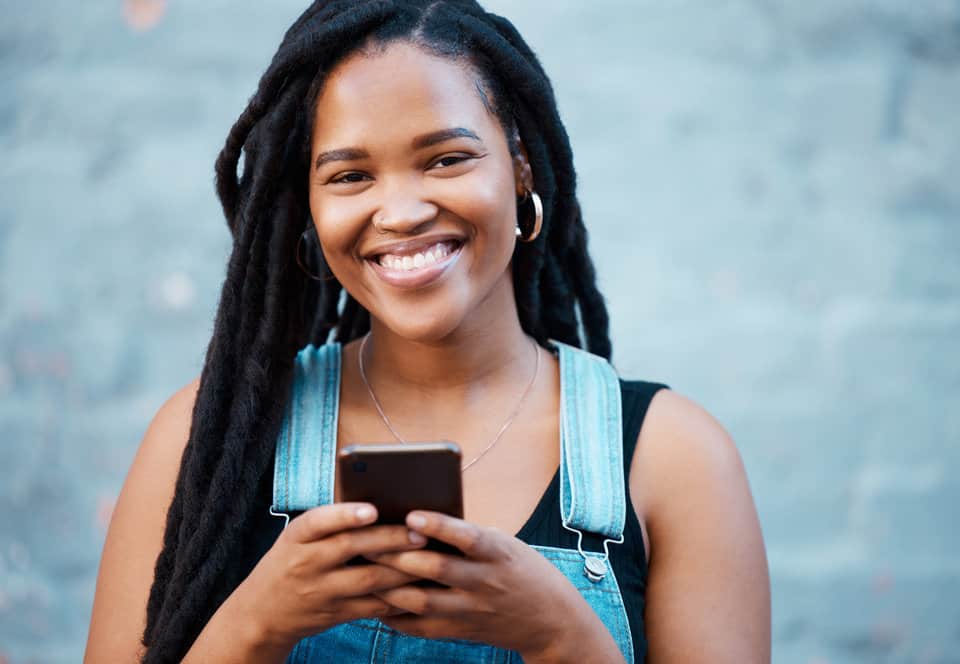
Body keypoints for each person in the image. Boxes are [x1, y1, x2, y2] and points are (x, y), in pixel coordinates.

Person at [84, 1, 771, 662]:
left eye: (446, 159)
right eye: (351, 175)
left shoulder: (676, 458)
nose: (402, 211)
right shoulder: (203, 436)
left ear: (520, 163)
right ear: (308, 206)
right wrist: (260, 621)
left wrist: (562, 636)